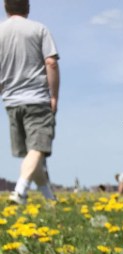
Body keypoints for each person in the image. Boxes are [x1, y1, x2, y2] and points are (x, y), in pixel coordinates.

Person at [0, 0, 59, 204]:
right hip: (37, 99)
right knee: (38, 148)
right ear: (27, 8)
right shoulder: (39, 29)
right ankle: (20, 192)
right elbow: (51, 63)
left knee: (32, 154)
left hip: (11, 101)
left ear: (5, 8)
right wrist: (54, 97)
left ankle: (49, 198)